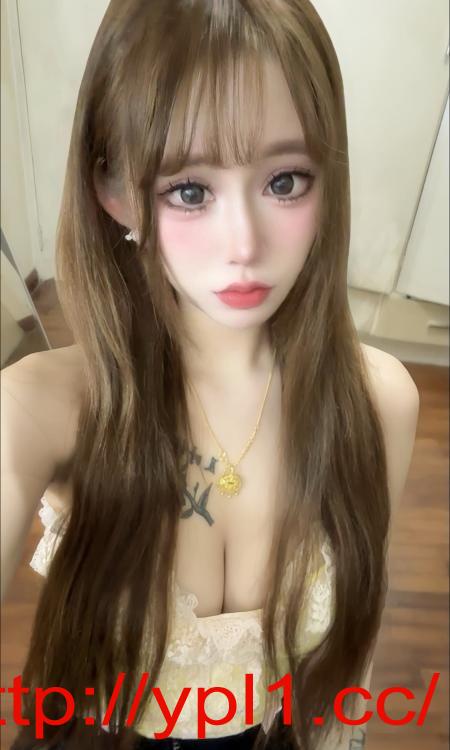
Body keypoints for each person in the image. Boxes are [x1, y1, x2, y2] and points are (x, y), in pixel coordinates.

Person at [1, 1, 420, 748]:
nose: (244, 244)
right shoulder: (45, 407)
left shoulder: (378, 401)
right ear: (117, 194)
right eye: (190, 190)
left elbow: (346, 667)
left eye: (285, 181)